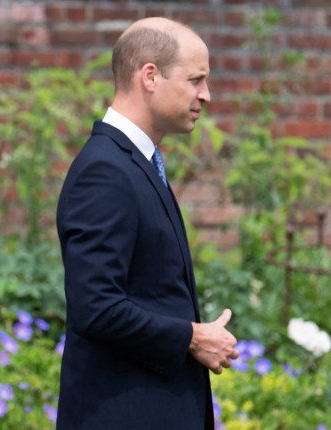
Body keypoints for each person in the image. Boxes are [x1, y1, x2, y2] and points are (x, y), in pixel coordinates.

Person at [55, 17, 239, 429]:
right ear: (150, 76)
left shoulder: (134, 163)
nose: (206, 96)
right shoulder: (105, 171)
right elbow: (95, 307)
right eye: (196, 80)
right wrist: (192, 336)